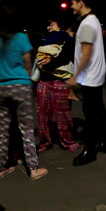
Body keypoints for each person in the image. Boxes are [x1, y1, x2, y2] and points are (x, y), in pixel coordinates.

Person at [0, 11, 48, 180]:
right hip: (20, 85)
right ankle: (33, 169)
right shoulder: (20, 37)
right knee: (26, 128)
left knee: (2, 129)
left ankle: (0, 168)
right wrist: (25, 76)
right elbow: (28, 62)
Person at [67, 0, 106, 166]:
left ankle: (89, 151)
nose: (71, 7)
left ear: (81, 2)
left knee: (90, 115)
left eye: (73, 3)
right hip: (96, 74)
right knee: (99, 109)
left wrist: (75, 76)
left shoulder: (86, 24)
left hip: (89, 77)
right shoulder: (94, 20)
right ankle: (104, 143)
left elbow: (86, 53)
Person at [35, 19, 80, 152]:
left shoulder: (66, 39)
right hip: (43, 82)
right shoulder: (46, 39)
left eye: (53, 24)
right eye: (49, 24)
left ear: (61, 28)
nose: (50, 27)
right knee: (43, 115)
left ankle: (67, 141)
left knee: (63, 115)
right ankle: (45, 142)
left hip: (59, 81)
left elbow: (64, 56)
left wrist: (47, 66)